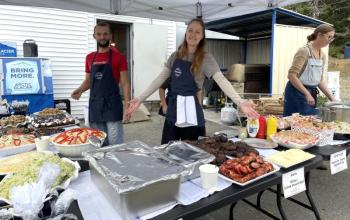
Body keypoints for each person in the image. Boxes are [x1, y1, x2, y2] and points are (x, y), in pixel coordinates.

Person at [126, 18, 259, 144]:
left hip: (191, 113)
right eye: (190, 30)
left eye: (197, 32)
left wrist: (240, 102)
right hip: (173, 111)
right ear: (186, 33)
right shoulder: (175, 56)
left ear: (202, 36)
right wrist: (140, 98)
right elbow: (160, 79)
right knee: (166, 150)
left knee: (190, 152)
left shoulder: (206, 59)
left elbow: (222, 80)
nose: (193, 34)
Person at [71, 22, 130, 145]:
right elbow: (88, 81)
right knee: (99, 143)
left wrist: (127, 107)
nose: (102, 37)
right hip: (95, 107)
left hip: (112, 106)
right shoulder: (89, 58)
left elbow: (125, 83)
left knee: (115, 144)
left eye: (105, 34)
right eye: (99, 34)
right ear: (94, 36)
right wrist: (80, 90)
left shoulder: (119, 57)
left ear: (110, 36)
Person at [283, 24, 336, 117]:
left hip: (311, 93)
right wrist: (306, 93)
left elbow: (319, 80)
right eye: (329, 37)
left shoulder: (322, 55)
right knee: (295, 123)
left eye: (332, 38)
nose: (330, 40)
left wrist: (332, 98)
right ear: (319, 35)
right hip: (296, 93)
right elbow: (291, 75)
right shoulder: (304, 51)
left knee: (309, 122)